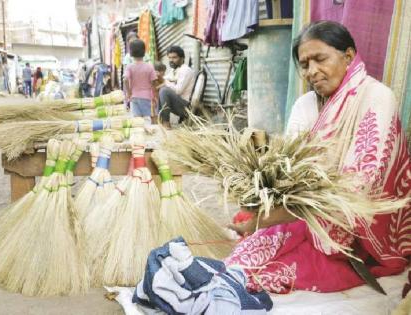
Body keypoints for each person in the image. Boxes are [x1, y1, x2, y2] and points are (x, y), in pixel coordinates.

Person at [225, 20, 411, 294]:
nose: (312, 71)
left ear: (348, 56)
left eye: (320, 59)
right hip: (309, 210)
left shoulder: (377, 97)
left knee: (268, 266)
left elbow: (356, 187)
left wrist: (264, 221)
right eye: (305, 64)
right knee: (247, 251)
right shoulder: (305, 104)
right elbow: (288, 173)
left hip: (356, 221)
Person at [158, 45, 195, 129]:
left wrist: (164, 82)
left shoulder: (186, 70)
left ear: (182, 58)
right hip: (179, 104)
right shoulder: (174, 70)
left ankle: (166, 122)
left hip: (186, 108)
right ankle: (159, 119)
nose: (171, 60)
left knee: (164, 91)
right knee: (160, 89)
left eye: (174, 57)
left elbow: (178, 90)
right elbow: (165, 79)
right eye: (169, 58)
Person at [124, 39, 157, 127]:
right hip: (146, 97)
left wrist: (128, 92)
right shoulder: (149, 67)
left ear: (130, 53)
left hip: (134, 97)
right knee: (146, 118)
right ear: (144, 51)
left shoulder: (129, 66)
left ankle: (138, 137)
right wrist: (154, 96)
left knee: (136, 119)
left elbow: (125, 79)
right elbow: (154, 82)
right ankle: (148, 135)